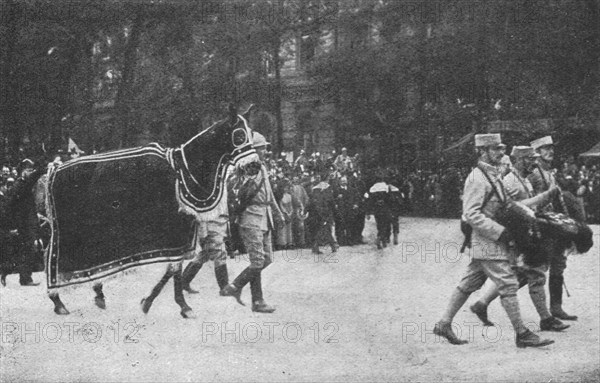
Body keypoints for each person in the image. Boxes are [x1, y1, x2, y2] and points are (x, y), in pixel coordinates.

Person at [433, 134, 553, 348]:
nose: (501, 152)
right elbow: (471, 213)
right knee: (508, 283)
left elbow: (507, 205)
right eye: (495, 149)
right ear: (482, 151)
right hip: (488, 243)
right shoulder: (477, 178)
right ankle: (522, 333)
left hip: (488, 243)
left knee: (469, 283)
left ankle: (444, 324)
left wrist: (525, 220)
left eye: (501, 148)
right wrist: (500, 232)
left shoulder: (492, 175)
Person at [469, 146, 568, 332]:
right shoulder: (510, 181)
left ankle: (481, 304)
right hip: (517, 235)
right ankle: (545, 319)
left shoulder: (522, 179)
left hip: (527, 232)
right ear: (520, 160)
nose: (534, 162)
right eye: (530, 159)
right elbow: (511, 208)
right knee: (534, 274)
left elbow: (530, 207)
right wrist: (544, 196)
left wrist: (547, 200)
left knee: (519, 274)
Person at [221, 132, 285, 313]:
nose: (265, 150)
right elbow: (241, 187)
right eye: (262, 147)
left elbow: (269, 193)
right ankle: (236, 288)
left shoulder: (261, 167)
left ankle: (252, 297)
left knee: (266, 259)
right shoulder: (247, 166)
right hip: (250, 217)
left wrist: (278, 213)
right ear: (253, 149)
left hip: (264, 217)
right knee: (257, 261)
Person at [528, 136, 577, 321]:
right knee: (531, 271)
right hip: (541, 225)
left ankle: (556, 307)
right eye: (545, 149)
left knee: (558, 265)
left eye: (551, 148)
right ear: (537, 152)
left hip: (554, 226)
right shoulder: (533, 172)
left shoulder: (550, 172)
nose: (550, 152)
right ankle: (484, 301)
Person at [8, 159, 43, 286]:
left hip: (26, 223)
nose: (30, 172)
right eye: (29, 170)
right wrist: (41, 169)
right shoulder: (20, 184)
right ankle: (25, 278)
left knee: (28, 250)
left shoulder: (23, 184)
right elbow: (12, 207)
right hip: (23, 224)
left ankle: (26, 277)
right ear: (23, 172)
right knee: (26, 250)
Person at [308, 172, 339, 254]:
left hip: (316, 212)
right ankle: (332, 246)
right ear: (327, 178)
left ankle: (316, 246)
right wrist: (334, 209)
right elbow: (330, 200)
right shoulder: (327, 188)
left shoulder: (315, 188)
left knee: (318, 229)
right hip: (326, 211)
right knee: (327, 229)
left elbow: (311, 201)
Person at [364, 174, 393, 249]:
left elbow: (370, 202)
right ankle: (380, 238)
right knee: (385, 224)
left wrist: (368, 212)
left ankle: (382, 240)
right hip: (385, 209)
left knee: (379, 225)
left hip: (377, 210)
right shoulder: (386, 187)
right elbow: (390, 200)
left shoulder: (372, 188)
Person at [290, 175, 309, 248]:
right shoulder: (292, 188)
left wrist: (303, 206)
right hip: (293, 208)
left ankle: (301, 242)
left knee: (301, 226)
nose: (296, 181)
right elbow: (294, 197)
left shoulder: (301, 188)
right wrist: (301, 204)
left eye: (297, 179)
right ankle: (295, 242)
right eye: (295, 179)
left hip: (299, 209)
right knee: (295, 226)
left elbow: (306, 197)